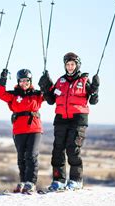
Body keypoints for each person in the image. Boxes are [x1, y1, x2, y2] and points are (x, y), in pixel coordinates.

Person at [38, 52, 99, 191]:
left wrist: (95, 88)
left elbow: (94, 100)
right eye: (68, 64)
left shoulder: (84, 81)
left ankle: (76, 180)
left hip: (78, 118)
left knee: (73, 149)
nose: (70, 67)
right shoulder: (61, 81)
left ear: (77, 65)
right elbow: (51, 100)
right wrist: (46, 87)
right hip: (60, 118)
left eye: (72, 64)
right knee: (58, 150)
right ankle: (58, 181)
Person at [0, 68, 44, 194]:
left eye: (27, 80)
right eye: (22, 81)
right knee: (21, 157)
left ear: (30, 81)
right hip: (19, 129)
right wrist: (3, 79)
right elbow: (0, 94)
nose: (24, 83)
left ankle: (31, 183)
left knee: (31, 155)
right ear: (18, 82)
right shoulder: (13, 95)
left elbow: (51, 96)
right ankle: (23, 182)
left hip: (34, 128)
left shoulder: (37, 94)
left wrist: (46, 82)